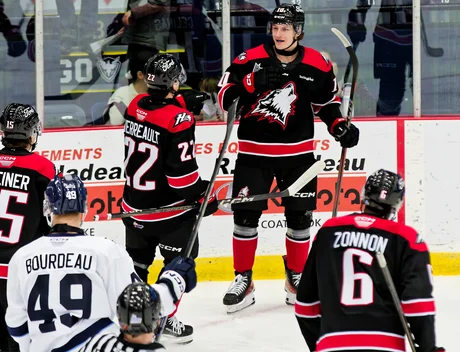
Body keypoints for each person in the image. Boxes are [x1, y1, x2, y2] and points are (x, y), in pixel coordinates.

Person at [217, 3, 360, 313]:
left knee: (300, 219)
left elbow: (326, 104)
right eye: (275, 27)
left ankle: (296, 276)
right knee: (245, 218)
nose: (278, 33)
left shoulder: (317, 64)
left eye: (286, 28)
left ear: (299, 32)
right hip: (253, 155)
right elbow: (223, 98)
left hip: (299, 157)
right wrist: (248, 85)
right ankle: (244, 280)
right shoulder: (248, 60)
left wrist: (339, 126)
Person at [5, 173, 197, 351]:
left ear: (48, 208)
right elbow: (140, 306)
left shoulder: (22, 257)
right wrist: (175, 280)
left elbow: (17, 327)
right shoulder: (105, 251)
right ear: (83, 209)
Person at [122, 53, 218, 342]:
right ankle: (164, 317)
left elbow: (156, 115)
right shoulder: (180, 120)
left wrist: (180, 102)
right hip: (169, 212)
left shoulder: (135, 105)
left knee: (138, 266)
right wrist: (205, 197)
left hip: (134, 208)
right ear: (174, 82)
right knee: (178, 265)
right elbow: (182, 180)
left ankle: (134, 321)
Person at [295, 169, 445, 352]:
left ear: (363, 194)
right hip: (385, 347)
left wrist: (322, 345)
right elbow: (418, 305)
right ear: (398, 203)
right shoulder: (406, 238)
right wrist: (428, 349)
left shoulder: (328, 231)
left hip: (331, 346)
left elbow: (305, 305)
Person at [0, 103, 57, 352]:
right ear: (32, 134)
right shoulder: (42, 168)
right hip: (21, 270)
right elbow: (52, 221)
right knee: (20, 338)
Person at [346, 0, 412, 116]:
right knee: (391, 90)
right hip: (388, 37)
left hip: (411, 36)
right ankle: (385, 121)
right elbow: (363, 3)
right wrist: (356, 22)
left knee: (420, 87)